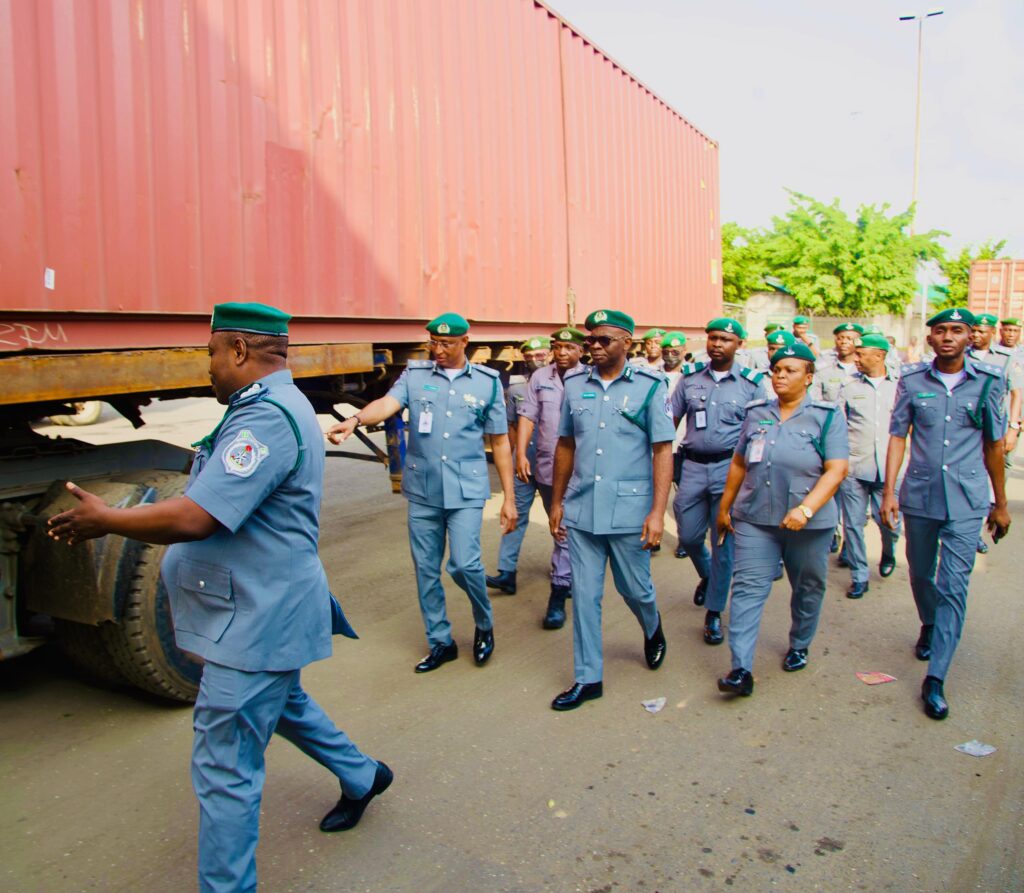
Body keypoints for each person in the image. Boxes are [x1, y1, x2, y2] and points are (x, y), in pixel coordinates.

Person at [47, 302, 391, 892]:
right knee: (284, 704)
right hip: (253, 610)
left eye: (210, 353)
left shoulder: (266, 419)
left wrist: (108, 520)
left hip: (256, 619)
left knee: (224, 770)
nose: (205, 366)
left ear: (237, 351)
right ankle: (363, 775)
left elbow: (198, 517)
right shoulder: (263, 408)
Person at [327, 313, 517, 673]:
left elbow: (500, 443)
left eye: (446, 343)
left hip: (465, 490)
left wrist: (509, 497)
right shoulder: (414, 376)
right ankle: (440, 641)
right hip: (424, 489)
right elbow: (387, 404)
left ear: (465, 342)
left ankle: (484, 621)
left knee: (464, 564)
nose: (438, 349)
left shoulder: (488, 383)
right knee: (426, 570)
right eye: (433, 342)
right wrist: (354, 421)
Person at [883, 308, 1011, 720]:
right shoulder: (912, 379)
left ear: (970, 337)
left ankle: (936, 676)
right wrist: (890, 491)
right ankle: (929, 623)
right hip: (920, 495)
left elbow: (994, 445)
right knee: (920, 573)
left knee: (953, 585)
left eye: (958, 330)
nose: (950, 337)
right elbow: (898, 436)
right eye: (942, 330)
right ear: (931, 338)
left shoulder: (989, 381)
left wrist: (1001, 502)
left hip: (967, 499)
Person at [548, 309, 675, 710]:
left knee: (634, 589)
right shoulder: (574, 384)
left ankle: (651, 626)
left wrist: (657, 512)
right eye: (591, 341)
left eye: (604, 340)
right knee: (584, 595)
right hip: (583, 507)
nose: (595, 347)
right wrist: (556, 501)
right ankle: (588, 678)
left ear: (627, 343)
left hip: (629, 510)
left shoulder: (651, 387)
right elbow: (566, 444)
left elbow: (662, 449)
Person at [715, 342, 849, 697]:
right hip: (756, 517)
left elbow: (837, 470)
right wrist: (725, 507)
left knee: (807, 586)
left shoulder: (827, 415)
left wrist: (806, 509)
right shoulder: (756, 412)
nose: (780, 376)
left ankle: (800, 642)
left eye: (790, 370)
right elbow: (740, 462)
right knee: (746, 589)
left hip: (808, 524)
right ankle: (740, 669)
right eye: (776, 369)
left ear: (808, 377)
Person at [670, 318, 767, 646]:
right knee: (688, 535)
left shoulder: (753, 384)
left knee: (724, 543)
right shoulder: (689, 379)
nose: (717, 344)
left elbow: (761, 434)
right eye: (713, 338)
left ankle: (714, 612)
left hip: (731, 469)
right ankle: (710, 577)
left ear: (739, 344)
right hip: (693, 467)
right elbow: (670, 419)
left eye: (725, 339)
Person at [511, 326, 587, 629]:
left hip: (582, 467)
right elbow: (527, 415)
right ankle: (571, 575)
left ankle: (559, 588)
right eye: (558, 347)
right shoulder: (540, 378)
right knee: (560, 524)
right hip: (547, 465)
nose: (563, 353)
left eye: (570, 348)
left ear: (581, 350)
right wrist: (519, 454)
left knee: (565, 526)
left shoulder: (591, 377)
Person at [836, 333, 901, 599]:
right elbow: (839, 426)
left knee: (889, 523)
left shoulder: (900, 386)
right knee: (852, 524)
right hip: (855, 466)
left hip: (890, 468)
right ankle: (859, 575)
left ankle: (888, 551)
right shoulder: (849, 387)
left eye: (861, 354)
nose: (856, 358)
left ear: (880, 356)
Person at [485, 336, 551, 595]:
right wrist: (513, 459)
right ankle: (506, 572)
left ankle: (565, 573)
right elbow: (512, 427)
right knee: (515, 514)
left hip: (553, 465)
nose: (536, 360)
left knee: (559, 517)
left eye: (541, 355)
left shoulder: (565, 385)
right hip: (523, 464)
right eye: (530, 357)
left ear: (550, 355)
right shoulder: (516, 390)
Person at [814, 323, 864, 401]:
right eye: (840, 338)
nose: (844, 342)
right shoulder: (823, 371)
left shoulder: (865, 370)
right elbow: (815, 400)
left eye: (849, 339)